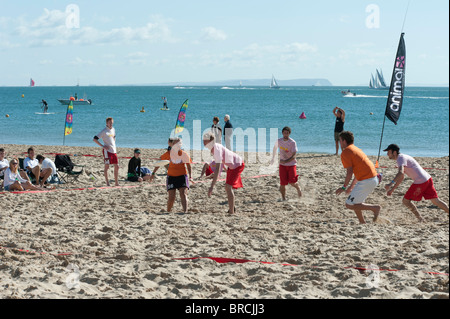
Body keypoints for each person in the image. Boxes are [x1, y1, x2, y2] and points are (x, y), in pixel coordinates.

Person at [383, 144, 449, 222]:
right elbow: (402, 177)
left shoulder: (400, 158)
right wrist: (392, 189)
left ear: (394, 152)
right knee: (435, 201)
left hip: (420, 181)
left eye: (388, 152)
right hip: (427, 178)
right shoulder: (402, 158)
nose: (387, 154)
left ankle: (420, 219)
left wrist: (390, 184)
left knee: (406, 201)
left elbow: (400, 173)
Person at [335, 131, 381, 224]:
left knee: (349, 204)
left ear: (344, 141)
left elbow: (350, 172)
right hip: (371, 178)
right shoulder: (356, 149)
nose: (339, 143)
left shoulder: (346, 152)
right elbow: (358, 171)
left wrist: (343, 187)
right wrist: (351, 186)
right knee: (356, 202)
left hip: (367, 180)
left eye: (340, 140)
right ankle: (362, 222)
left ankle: (375, 208)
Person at [203, 132, 245, 214]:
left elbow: (218, 167)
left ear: (211, 141)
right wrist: (219, 173)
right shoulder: (214, 148)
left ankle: (231, 212)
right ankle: (232, 207)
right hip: (232, 166)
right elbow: (222, 161)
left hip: (238, 164)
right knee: (227, 187)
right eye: (203, 140)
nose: (204, 142)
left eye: (205, 140)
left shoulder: (216, 149)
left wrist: (212, 186)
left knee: (228, 187)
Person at [150, 137, 193, 213]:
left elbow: (189, 166)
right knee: (171, 197)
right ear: (172, 145)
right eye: (176, 143)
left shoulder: (184, 154)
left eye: (179, 143)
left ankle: (185, 212)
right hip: (171, 177)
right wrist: (153, 173)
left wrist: (190, 176)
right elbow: (159, 163)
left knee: (183, 194)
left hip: (182, 176)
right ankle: (168, 211)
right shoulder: (168, 154)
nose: (178, 145)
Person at [271, 126, 302, 200]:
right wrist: (273, 158)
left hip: (291, 164)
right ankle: (283, 198)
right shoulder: (279, 141)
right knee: (282, 183)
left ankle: (298, 188)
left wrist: (285, 161)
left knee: (292, 182)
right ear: (282, 133)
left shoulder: (292, 142)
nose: (285, 134)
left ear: (289, 134)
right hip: (282, 165)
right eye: (284, 133)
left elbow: (294, 155)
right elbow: (274, 149)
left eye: (287, 133)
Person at [93, 117, 119, 186]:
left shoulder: (113, 129)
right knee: (107, 167)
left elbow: (114, 137)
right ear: (107, 123)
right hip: (107, 151)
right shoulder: (104, 131)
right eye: (110, 123)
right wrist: (103, 146)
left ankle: (116, 183)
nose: (111, 124)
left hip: (114, 150)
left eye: (112, 123)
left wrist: (113, 143)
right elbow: (95, 139)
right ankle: (107, 183)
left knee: (117, 166)